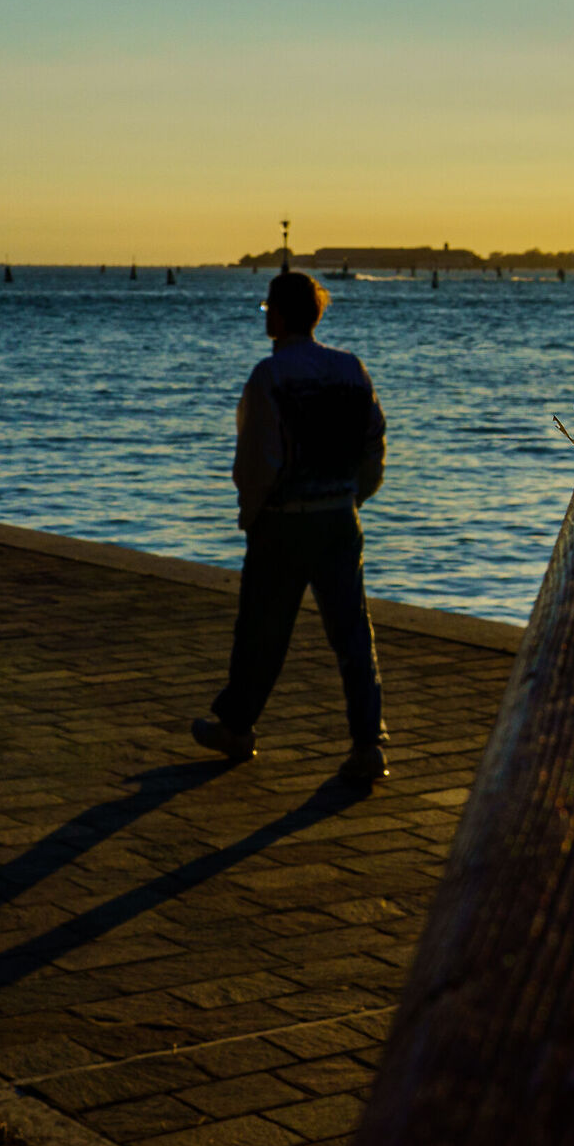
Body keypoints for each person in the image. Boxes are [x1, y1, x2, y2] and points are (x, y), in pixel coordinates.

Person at [193, 270, 390, 782]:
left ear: (278, 314)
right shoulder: (351, 370)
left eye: (267, 309)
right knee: (352, 633)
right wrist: (352, 498)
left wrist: (252, 514)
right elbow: (374, 445)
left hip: (283, 522)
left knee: (261, 630)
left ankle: (237, 727)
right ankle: (368, 744)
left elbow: (258, 459)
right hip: (339, 519)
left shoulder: (270, 376)